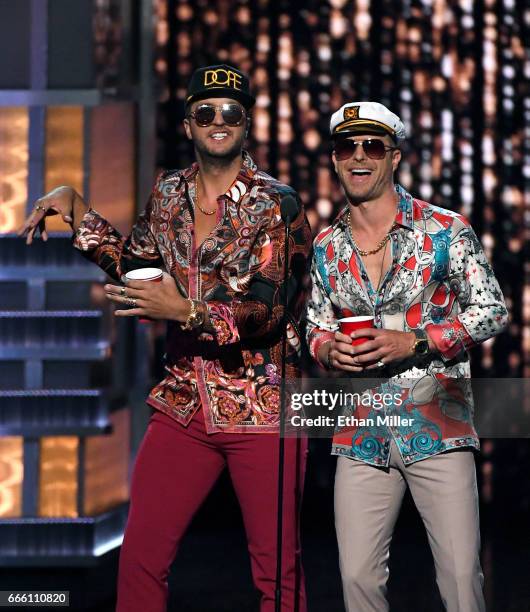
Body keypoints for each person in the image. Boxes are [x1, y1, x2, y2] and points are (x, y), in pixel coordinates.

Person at [19, 64, 312, 612]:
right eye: (206, 112)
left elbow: (270, 309)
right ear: (188, 125)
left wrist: (188, 311)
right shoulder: (169, 193)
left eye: (231, 113)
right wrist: (78, 210)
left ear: (247, 124)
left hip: (265, 409)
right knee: (140, 559)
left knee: (277, 573)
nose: (218, 122)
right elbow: (140, 267)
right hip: (183, 403)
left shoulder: (280, 204)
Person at [305, 101, 508, 612]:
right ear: (333, 159)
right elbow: (313, 322)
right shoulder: (326, 246)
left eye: (371, 146)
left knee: (461, 580)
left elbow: (492, 310)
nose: (358, 157)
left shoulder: (444, 230)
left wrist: (416, 341)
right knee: (355, 580)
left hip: (437, 424)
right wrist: (326, 347)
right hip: (360, 433)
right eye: (346, 147)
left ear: (393, 157)